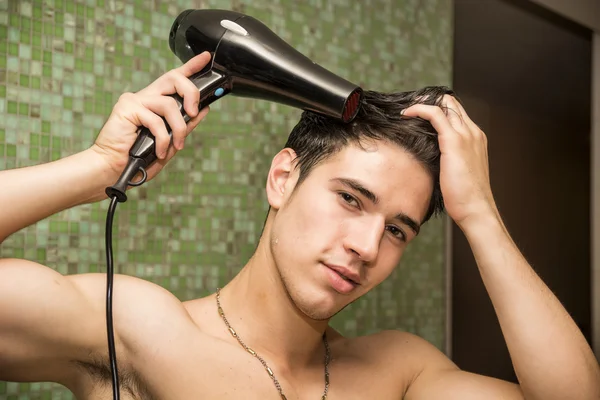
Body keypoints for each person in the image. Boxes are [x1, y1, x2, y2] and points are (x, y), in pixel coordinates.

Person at [0, 52, 598, 400]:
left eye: (398, 230)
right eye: (351, 199)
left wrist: (480, 215)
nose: (366, 246)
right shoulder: (139, 329)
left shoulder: (399, 373)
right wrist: (97, 169)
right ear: (283, 178)